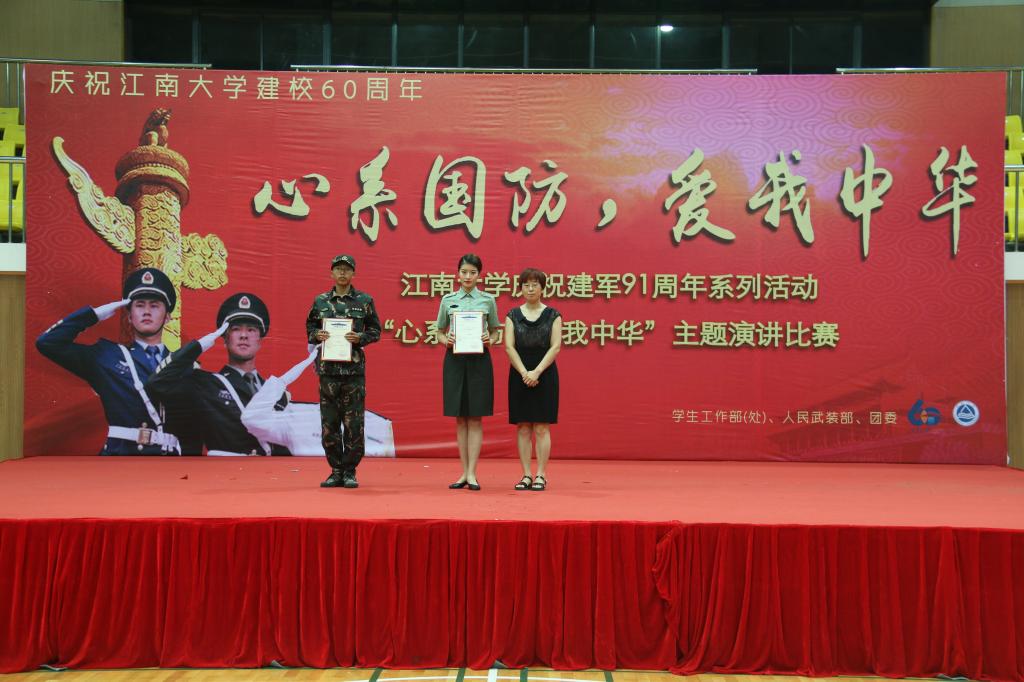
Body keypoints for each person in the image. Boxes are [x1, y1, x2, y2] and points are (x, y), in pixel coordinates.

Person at [35, 266, 191, 455]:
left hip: (168, 460)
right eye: (139, 305)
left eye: (154, 305)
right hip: (121, 456)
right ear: (129, 317)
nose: (146, 311)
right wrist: (95, 314)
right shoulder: (107, 356)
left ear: (167, 317)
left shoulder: (185, 366)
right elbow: (48, 343)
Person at [146, 292, 291, 456]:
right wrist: (202, 344)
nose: (243, 335)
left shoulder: (275, 391)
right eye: (236, 329)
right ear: (225, 339)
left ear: (260, 341)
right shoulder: (205, 384)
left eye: (251, 330)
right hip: (225, 470)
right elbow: (156, 383)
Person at [307, 254, 382, 488]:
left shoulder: (364, 301)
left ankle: (350, 471)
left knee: (354, 424)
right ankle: (335, 470)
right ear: (331, 273)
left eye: (347, 269)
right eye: (338, 269)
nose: (342, 273)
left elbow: (375, 331)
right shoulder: (320, 301)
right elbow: (310, 327)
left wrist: (360, 337)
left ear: (353, 273)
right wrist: (316, 335)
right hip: (328, 372)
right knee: (329, 424)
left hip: (353, 373)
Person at [435, 253, 501, 490]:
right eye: (464, 272)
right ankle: (463, 472)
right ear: (457, 274)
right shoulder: (448, 300)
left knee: (475, 417)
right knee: (460, 418)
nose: (468, 276)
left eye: (472, 272)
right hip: (454, 361)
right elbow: (439, 331)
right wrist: (447, 340)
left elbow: (495, 331)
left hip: (479, 361)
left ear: (479, 275)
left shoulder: (488, 300)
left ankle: (472, 473)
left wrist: (490, 339)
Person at [504, 268, 562, 491]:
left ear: (542, 288)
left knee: (541, 427)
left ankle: (541, 475)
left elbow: (555, 347)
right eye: (526, 285)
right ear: (520, 288)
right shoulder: (512, 315)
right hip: (519, 374)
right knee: (523, 427)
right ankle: (526, 474)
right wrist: (524, 373)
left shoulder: (553, 315)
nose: (530, 289)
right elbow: (509, 347)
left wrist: (536, 372)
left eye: (534, 285)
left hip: (544, 373)